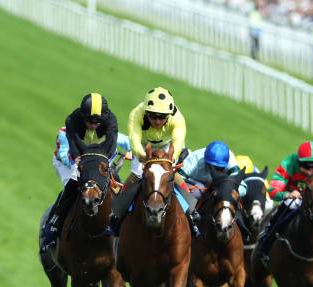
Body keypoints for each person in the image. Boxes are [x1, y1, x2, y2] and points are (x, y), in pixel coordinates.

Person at [41, 93, 118, 251]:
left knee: (115, 178)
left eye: (96, 122)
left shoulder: (111, 121)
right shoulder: (73, 120)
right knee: (73, 183)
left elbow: (111, 144)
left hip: (97, 158)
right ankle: (53, 225)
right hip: (70, 159)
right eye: (89, 121)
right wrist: (78, 159)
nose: (92, 125)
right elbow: (73, 146)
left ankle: (118, 222)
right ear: (83, 117)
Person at [110, 87, 187, 232]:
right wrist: (143, 157)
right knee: (138, 173)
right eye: (153, 116)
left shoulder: (177, 118)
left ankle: (191, 213)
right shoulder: (136, 114)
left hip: (167, 147)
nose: (157, 121)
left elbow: (177, 143)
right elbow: (134, 141)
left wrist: (170, 159)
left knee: (170, 175)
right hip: (145, 147)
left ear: (169, 115)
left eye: (162, 117)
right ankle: (116, 213)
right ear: (146, 112)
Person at [257, 141, 313, 265]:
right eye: (306, 167)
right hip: (293, 199)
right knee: (288, 206)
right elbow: (273, 190)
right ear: (299, 161)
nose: (311, 171)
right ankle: (267, 240)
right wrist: (286, 195)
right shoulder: (288, 164)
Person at [174, 141, 248, 237]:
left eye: (220, 168)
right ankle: (191, 218)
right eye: (212, 166)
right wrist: (198, 189)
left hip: (221, 186)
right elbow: (176, 176)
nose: (216, 170)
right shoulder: (196, 158)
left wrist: (226, 191)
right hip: (196, 185)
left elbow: (243, 187)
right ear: (205, 161)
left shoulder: (231, 160)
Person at [53, 126, 131, 186]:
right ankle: (61, 206)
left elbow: (128, 142)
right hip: (67, 166)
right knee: (73, 190)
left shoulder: (104, 131)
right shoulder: (67, 132)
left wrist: (133, 151)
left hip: (95, 165)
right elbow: (63, 156)